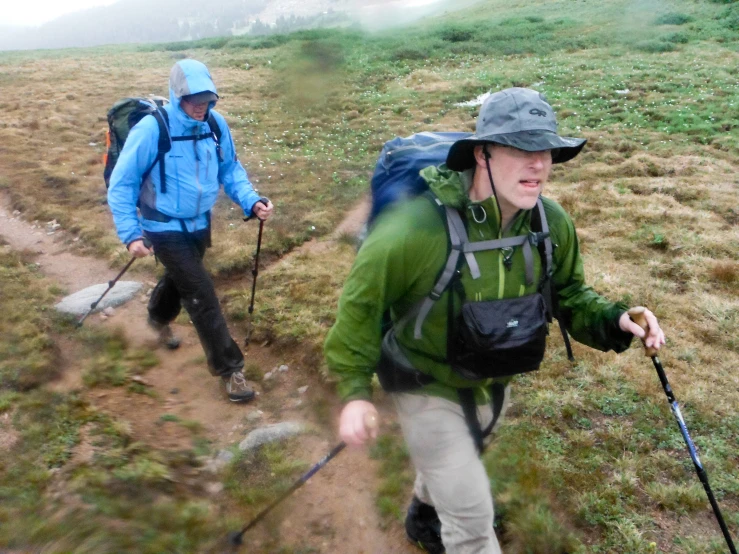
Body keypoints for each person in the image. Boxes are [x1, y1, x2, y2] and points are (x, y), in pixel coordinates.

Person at [324, 88, 665, 553]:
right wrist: (354, 393)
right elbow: (360, 307)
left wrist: (616, 319)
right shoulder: (413, 229)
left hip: (492, 374)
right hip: (421, 380)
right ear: (481, 153)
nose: (539, 165)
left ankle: (425, 513)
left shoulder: (550, 223)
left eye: (545, 150)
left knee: (471, 445)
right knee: (473, 521)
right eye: (521, 149)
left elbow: (568, 294)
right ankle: (453, 515)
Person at [108, 59, 273, 403]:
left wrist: (252, 201)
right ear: (177, 95)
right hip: (162, 226)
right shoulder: (153, 129)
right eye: (193, 99)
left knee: (181, 278)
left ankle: (156, 318)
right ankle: (230, 371)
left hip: (199, 223)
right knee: (201, 293)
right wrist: (131, 234)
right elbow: (122, 184)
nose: (201, 106)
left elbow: (231, 169)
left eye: (207, 99)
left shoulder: (215, 125)